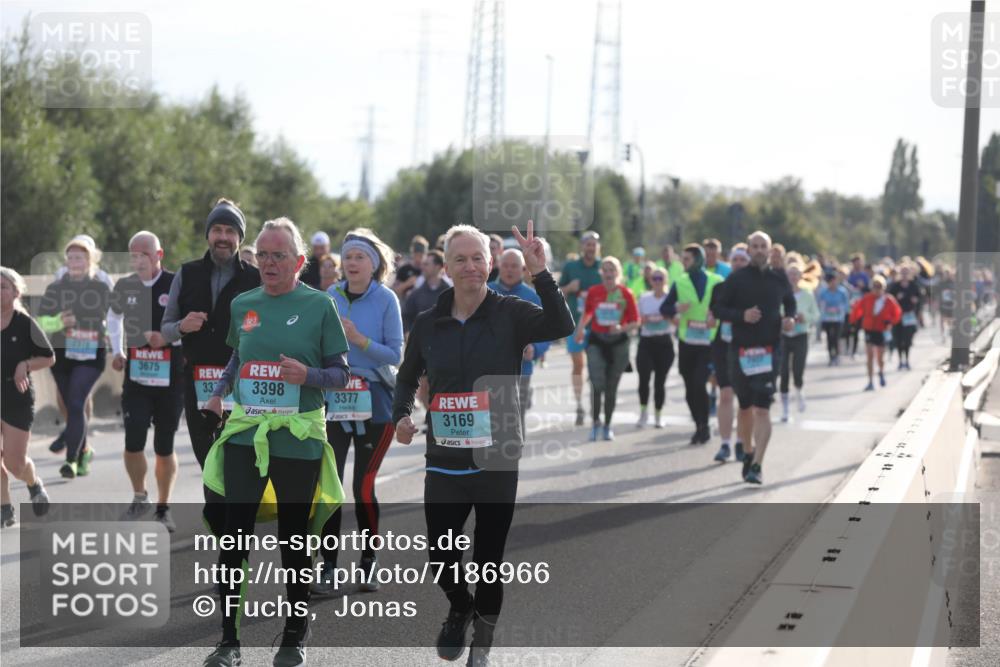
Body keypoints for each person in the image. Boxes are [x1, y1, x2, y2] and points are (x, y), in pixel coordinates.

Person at [393, 221, 573, 666]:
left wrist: (540, 273)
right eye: (460, 259)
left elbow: (561, 324)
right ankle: (459, 606)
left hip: (497, 454)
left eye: (478, 258)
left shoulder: (510, 313)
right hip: (446, 457)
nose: (470, 266)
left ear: (490, 264)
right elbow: (405, 376)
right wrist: (401, 416)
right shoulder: (428, 322)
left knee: (488, 558)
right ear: (447, 267)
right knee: (440, 556)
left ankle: (482, 647)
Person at [200, 217, 350, 667]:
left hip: (298, 439)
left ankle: (293, 635)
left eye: (278, 255)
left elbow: (341, 375)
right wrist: (217, 393)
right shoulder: (244, 303)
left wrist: (308, 376)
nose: (267, 262)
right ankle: (229, 641)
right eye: (262, 254)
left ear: (299, 262)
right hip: (246, 434)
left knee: (294, 539)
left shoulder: (319, 305)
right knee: (233, 536)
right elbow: (237, 358)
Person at [160, 198, 260, 534]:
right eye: (217, 229)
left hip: (242, 383)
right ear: (207, 235)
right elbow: (165, 328)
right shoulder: (187, 273)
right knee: (208, 458)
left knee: (237, 459)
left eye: (230, 231)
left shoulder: (255, 280)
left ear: (240, 238)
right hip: (197, 380)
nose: (222, 236)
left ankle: (232, 533)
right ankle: (223, 523)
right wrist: (182, 327)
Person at [314, 228, 403, 594]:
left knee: (362, 486)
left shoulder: (386, 300)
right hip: (335, 402)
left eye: (359, 257)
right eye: (347, 257)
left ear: (375, 264)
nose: (351, 263)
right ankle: (329, 565)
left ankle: (368, 562)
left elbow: (396, 354)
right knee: (330, 487)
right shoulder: (329, 296)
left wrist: (360, 340)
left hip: (376, 402)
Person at [108, 232, 185, 531]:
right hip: (137, 376)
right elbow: (113, 317)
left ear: (158, 255)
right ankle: (140, 496)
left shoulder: (176, 283)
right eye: (133, 254)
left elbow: (191, 320)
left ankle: (163, 507)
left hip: (171, 378)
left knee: (164, 445)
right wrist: (116, 350)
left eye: (144, 254)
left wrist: (168, 338)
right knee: (134, 438)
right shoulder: (125, 285)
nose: (138, 259)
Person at [711, 231, 796, 485]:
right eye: (755, 246)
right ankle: (747, 451)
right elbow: (718, 309)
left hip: (770, 351)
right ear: (748, 250)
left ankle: (757, 464)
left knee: (762, 408)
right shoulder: (736, 279)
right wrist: (742, 315)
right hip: (740, 352)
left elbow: (790, 303)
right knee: (745, 407)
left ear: (770, 251)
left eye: (763, 247)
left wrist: (789, 318)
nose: (759, 250)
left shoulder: (779, 277)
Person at [37, 235, 111, 479]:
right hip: (61, 355)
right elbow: (41, 322)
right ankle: (83, 453)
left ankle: (70, 460)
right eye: (70, 256)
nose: (74, 260)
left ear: (89, 260)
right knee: (70, 405)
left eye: (79, 256)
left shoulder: (100, 287)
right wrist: (60, 321)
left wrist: (107, 332)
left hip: (91, 355)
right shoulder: (55, 288)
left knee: (77, 402)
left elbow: (114, 319)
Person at [1, 267, 54, 528]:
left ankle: (33, 482)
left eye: (3, 287)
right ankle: (4, 506)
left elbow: (49, 356)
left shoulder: (24, 323)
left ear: (15, 292)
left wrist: (26, 364)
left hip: (16, 397)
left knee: (13, 462)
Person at [659, 244, 725, 445]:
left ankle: (704, 426)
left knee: (699, 383)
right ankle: (698, 425)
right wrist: (676, 308)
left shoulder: (717, 281)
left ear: (698, 260)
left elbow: (724, 308)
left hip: (708, 342)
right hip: (687, 342)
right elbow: (665, 308)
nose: (683, 263)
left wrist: (716, 315)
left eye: (687, 259)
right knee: (689, 388)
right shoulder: (680, 282)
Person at [574, 257, 639, 441]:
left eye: (612, 270)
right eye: (605, 270)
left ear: (618, 273)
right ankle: (595, 423)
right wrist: (580, 330)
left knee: (611, 388)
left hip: (619, 344)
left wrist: (621, 328)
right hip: (597, 341)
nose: (609, 274)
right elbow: (587, 313)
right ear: (601, 273)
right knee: (596, 383)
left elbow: (636, 322)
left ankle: (607, 425)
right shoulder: (594, 292)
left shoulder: (626, 293)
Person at [488, 249, 552, 434]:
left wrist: (535, 348)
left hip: (521, 369)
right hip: (488, 367)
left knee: (515, 418)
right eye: (505, 265)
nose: (509, 270)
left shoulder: (533, 296)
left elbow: (547, 332)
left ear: (524, 269)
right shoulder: (486, 292)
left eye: (514, 266)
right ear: (498, 266)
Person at [710, 245, 751, 462]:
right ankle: (725, 444)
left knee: (745, 401)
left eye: (742, 260)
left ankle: (741, 442)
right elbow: (713, 313)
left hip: (747, 347)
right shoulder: (719, 288)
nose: (737, 263)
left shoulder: (755, 288)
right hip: (723, 345)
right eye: (734, 259)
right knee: (725, 394)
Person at [558, 231, 603, 426]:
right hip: (575, 324)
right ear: (582, 247)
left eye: (593, 244)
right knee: (578, 366)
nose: (590, 248)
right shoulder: (570, 267)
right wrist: (569, 288)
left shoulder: (603, 268)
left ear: (598, 247)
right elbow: (556, 293)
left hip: (598, 325)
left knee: (596, 367)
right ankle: (579, 406)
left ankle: (596, 407)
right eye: (587, 244)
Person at [779, 264, 819, 422]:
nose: (793, 277)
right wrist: (784, 317)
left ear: (800, 276)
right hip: (784, 335)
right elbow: (775, 311)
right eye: (790, 274)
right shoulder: (781, 294)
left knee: (798, 368)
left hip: (801, 334)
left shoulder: (807, 295)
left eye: (796, 274)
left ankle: (799, 390)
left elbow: (815, 314)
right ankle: (785, 409)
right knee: (783, 371)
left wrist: (805, 318)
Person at [635, 266, 674, 429]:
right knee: (644, 379)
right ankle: (643, 412)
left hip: (664, 342)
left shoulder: (671, 298)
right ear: (650, 281)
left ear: (666, 280)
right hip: (647, 342)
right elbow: (637, 319)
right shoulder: (644, 298)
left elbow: (676, 320)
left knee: (660, 382)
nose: (657, 282)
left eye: (660, 278)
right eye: (654, 278)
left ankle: (658, 415)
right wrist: (645, 319)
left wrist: (666, 318)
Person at [850, 275, 902, 391]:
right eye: (874, 287)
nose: (877, 289)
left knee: (880, 357)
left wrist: (890, 322)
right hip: (869, 329)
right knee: (869, 356)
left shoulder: (888, 300)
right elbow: (857, 310)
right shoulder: (867, 298)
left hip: (881, 330)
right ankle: (870, 381)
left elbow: (897, 313)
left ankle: (881, 372)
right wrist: (852, 322)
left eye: (879, 287)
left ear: (883, 288)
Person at [402, 249, 449, 335]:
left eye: (426, 264)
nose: (422, 267)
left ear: (438, 267)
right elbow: (406, 316)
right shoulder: (416, 293)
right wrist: (408, 333)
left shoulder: (449, 293)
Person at [887, 265, 921, 370]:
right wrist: (896, 298)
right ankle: (900, 361)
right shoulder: (895, 286)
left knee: (908, 339)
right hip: (898, 316)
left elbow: (920, 297)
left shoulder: (913, 285)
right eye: (903, 273)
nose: (905, 275)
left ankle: (907, 360)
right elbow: (889, 298)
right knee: (898, 338)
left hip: (909, 315)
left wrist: (916, 301)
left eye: (906, 273)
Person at [817, 272, 850, 365]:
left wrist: (841, 311)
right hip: (826, 318)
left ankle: (837, 355)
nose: (833, 283)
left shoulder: (842, 291)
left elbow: (846, 305)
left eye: (834, 281)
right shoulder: (823, 292)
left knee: (836, 337)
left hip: (838, 319)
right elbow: (819, 304)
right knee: (829, 338)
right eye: (831, 281)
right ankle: (831, 357)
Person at [392, 235, 428, 301]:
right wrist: (407, 284)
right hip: (406, 306)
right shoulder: (404, 269)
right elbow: (394, 292)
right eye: (416, 255)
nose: (418, 259)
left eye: (421, 256)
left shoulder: (428, 269)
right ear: (412, 253)